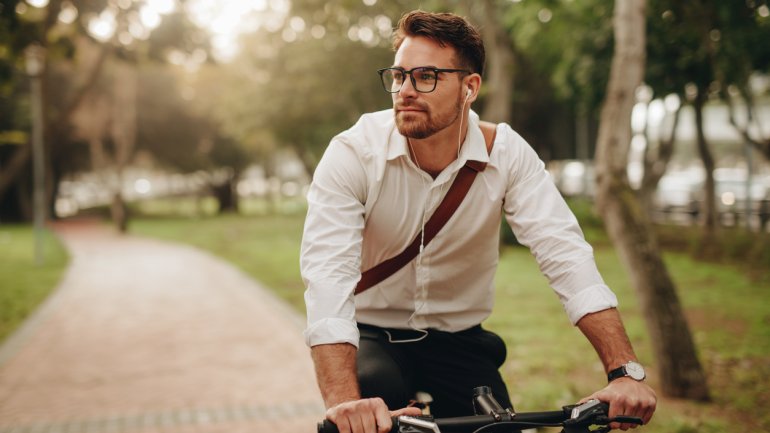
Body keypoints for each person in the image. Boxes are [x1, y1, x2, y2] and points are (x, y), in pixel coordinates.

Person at [300, 10, 657, 433]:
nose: (406, 90)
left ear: (470, 87)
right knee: (371, 398)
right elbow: (328, 275)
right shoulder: (353, 153)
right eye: (399, 76)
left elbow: (565, 254)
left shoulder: (506, 154)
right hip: (375, 335)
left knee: (499, 426)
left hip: (460, 340)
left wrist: (623, 372)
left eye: (426, 76)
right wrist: (344, 404)